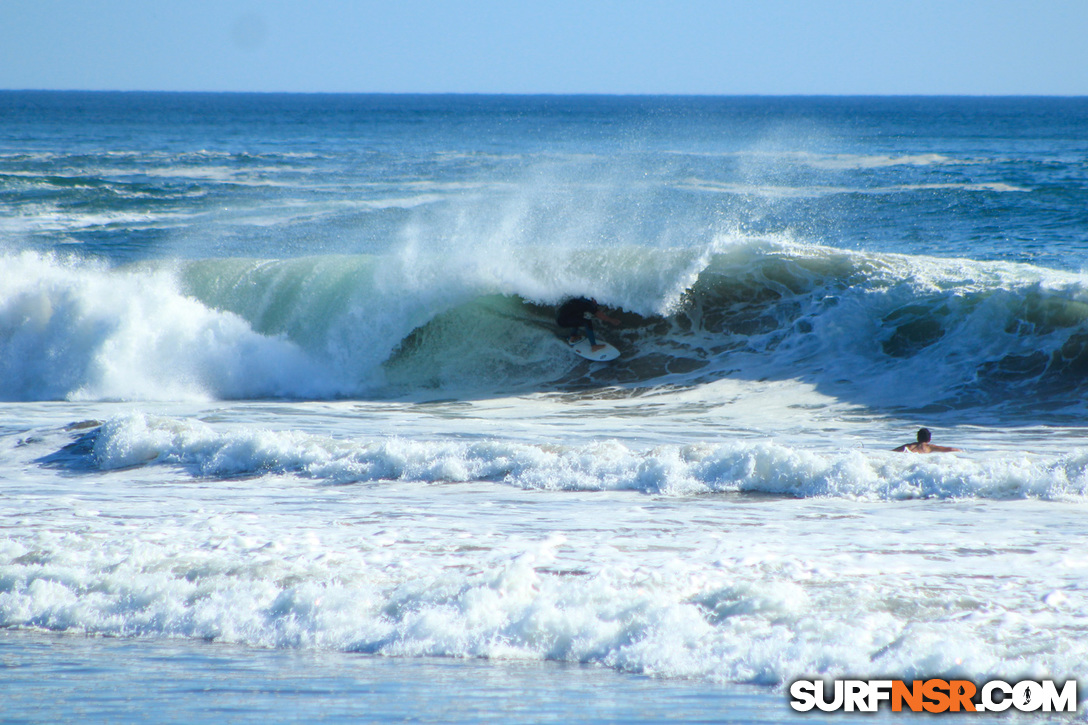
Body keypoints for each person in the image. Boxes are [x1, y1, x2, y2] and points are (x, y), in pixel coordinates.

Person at [556, 297, 620, 352]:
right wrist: (611, 320)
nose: (597, 303)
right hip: (563, 320)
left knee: (578, 317)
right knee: (587, 322)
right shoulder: (589, 304)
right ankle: (594, 346)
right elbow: (600, 315)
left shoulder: (583, 298)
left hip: (560, 316)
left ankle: (573, 336)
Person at [893, 428, 961, 453]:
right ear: (929, 439)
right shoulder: (930, 447)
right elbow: (949, 449)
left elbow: (892, 452)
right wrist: (961, 451)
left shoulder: (909, 446)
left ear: (918, 438)